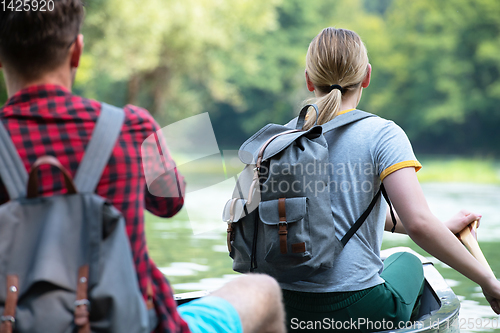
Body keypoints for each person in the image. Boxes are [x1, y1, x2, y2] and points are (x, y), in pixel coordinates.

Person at [0, 2, 285, 333]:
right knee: (262, 289)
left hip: (15, 322)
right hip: (133, 323)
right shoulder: (131, 127)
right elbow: (170, 202)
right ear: (76, 50)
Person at [280, 27, 500, 332]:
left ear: (308, 79)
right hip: (355, 308)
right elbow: (419, 225)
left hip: (282, 307)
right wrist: (488, 281)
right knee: (409, 260)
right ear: (367, 77)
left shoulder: (280, 140)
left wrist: (442, 227)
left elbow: (330, 210)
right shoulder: (383, 134)